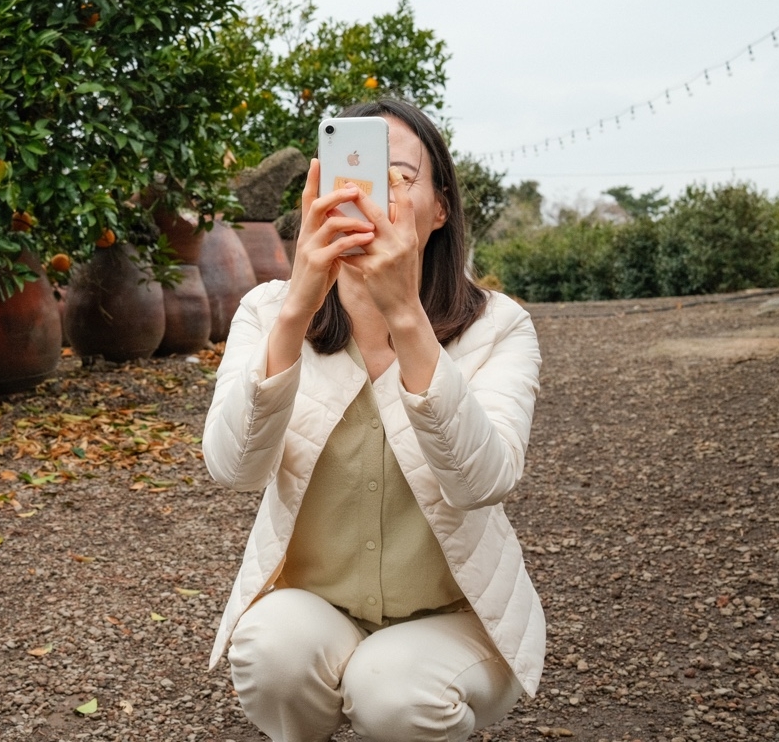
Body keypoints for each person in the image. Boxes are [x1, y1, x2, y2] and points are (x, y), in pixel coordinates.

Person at [202, 96, 545, 742]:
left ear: (440, 208)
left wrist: (405, 319)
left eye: (401, 177)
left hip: (453, 619)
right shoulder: (267, 312)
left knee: (392, 691)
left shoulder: (498, 328)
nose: (375, 193)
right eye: (355, 172)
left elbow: (483, 482)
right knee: (271, 650)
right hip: (318, 610)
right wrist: (297, 308)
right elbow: (232, 469)